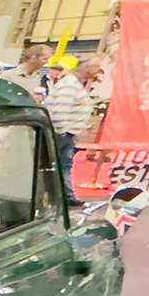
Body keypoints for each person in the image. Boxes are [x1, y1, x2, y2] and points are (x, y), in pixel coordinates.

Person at [44, 57, 102, 204]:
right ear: (85, 67)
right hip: (63, 133)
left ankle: (66, 196)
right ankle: (65, 197)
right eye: (96, 66)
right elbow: (60, 110)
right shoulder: (70, 85)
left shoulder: (73, 84)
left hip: (66, 132)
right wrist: (62, 131)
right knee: (61, 164)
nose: (99, 71)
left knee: (64, 165)